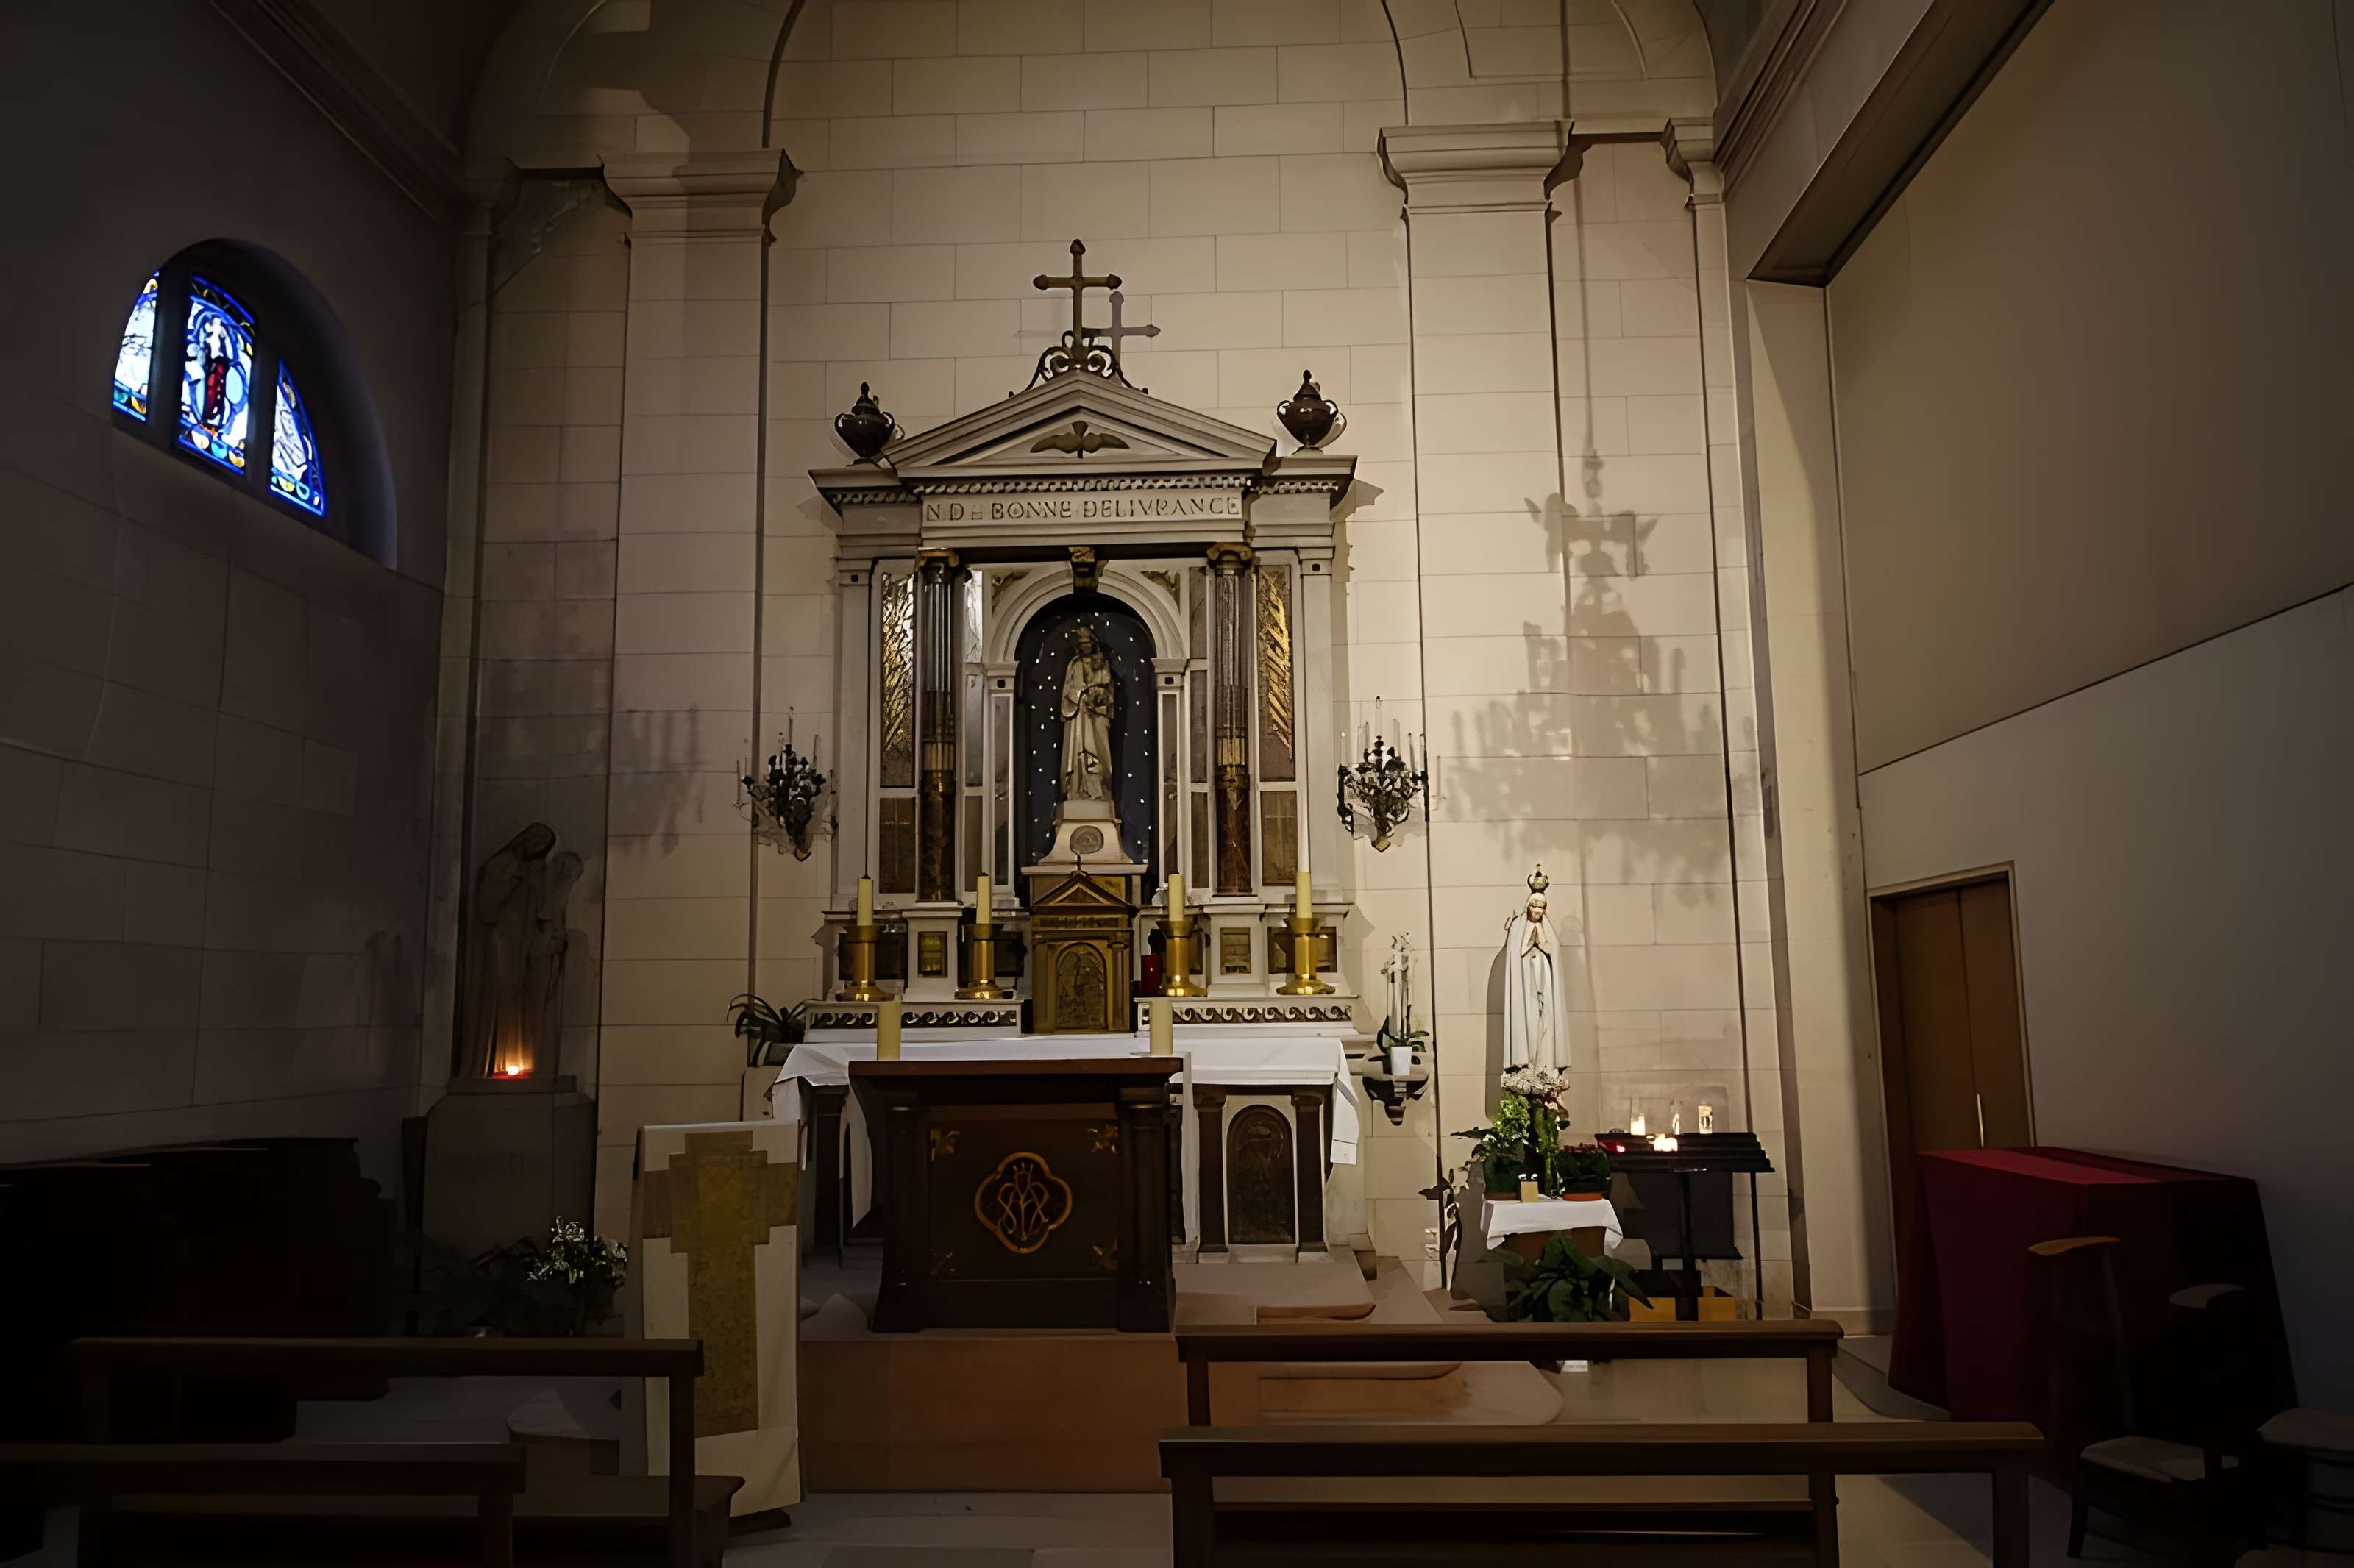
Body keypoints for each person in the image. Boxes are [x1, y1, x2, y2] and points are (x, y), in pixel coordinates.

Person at [1502, 865, 1569, 1070]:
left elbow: (1553, 952)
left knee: (1546, 1021)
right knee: (1530, 1022)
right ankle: (1527, 1064)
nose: (1538, 911)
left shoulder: (1546, 929)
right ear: (1528, 907)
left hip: (1545, 982)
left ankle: (1545, 1065)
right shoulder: (1518, 928)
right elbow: (1517, 952)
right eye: (1535, 907)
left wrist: (1542, 944)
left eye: (1542, 908)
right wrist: (1530, 942)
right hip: (1526, 984)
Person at [1058, 624, 1116, 804]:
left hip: (1096, 716)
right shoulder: (1074, 665)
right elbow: (1067, 690)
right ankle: (1076, 790)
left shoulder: (1102, 665)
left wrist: (1095, 697)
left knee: (1097, 751)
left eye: (1087, 643)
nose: (1085, 647)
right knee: (1077, 752)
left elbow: (1109, 693)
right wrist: (1080, 695)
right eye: (1082, 643)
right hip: (1078, 716)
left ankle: (1097, 791)